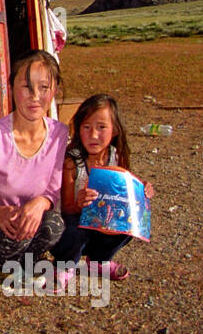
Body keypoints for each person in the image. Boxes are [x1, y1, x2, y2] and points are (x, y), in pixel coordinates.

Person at [0, 50, 69, 274]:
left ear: (54, 90)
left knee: (54, 226)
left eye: (44, 87)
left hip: (20, 222)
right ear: (12, 88)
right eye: (26, 86)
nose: (35, 96)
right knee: (17, 234)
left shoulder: (59, 133)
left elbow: (53, 190)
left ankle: (14, 266)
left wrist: (41, 203)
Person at [49, 94, 153, 287]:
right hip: (73, 223)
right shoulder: (73, 162)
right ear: (78, 129)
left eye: (101, 127)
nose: (93, 135)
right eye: (86, 127)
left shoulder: (115, 155)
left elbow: (123, 192)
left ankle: (98, 261)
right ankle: (64, 265)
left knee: (126, 224)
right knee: (75, 230)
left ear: (114, 130)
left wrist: (141, 190)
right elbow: (66, 208)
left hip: (101, 222)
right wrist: (80, 204)